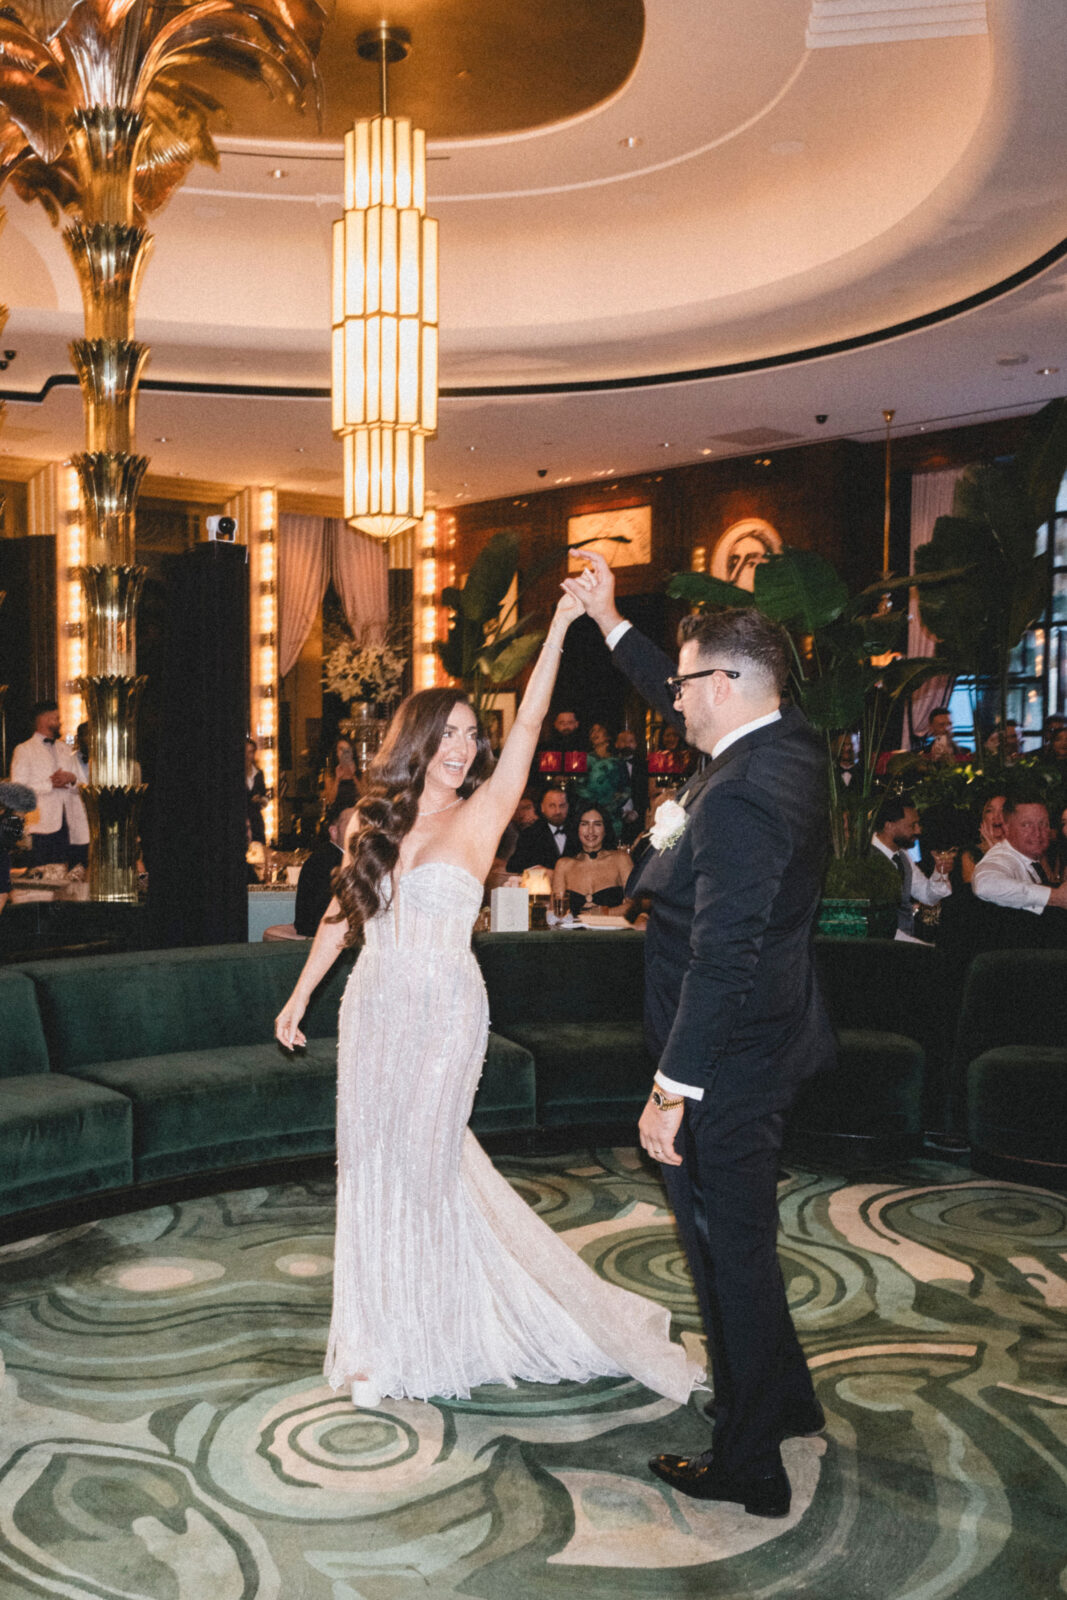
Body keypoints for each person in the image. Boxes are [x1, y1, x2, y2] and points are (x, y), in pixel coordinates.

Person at [274, 590, 698, 1410]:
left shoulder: (486, 812)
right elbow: (339, 915)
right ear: (421, 740)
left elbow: (532, 726)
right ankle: (377, 1335)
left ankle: (428, 1338)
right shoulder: (375, 819)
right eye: (453, 735)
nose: (465, 750)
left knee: (426, 1170)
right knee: (370, 1169)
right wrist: (299, 999)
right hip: (373, 1009)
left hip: (443, 1015)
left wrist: (565, 630)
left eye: (475, 737)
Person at [565, 550, 834, 1520]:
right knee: (743, 1245)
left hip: (726, 1064)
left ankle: (748, 1462)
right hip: (765, 1044)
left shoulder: (747, 793)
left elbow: (724, 959)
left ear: (720, 685)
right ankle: (787, 1399)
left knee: (728, 1255)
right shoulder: (783, 744)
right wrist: (608, 621)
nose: (669, 702)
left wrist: (674, 1089)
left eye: (682, 686)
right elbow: (674, 681)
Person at [9, 700, 90, 871]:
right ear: (44, 720)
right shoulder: (24, 750)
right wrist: (49, 784)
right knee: (44, 876)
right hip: (42, 828)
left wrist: (72, 779)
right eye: (56, 718)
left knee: (71, 877)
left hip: (71, 825)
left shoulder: (67, 750)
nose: (60, 722)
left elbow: (84, 785)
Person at [870, 795, 953, 940]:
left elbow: (927, 896)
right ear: (889, 826)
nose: (918, 831)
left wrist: (940, 872)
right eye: (912, 825)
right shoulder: (865, 857)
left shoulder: (903, 856)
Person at [973, 797, 1067, 915]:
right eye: (1026, 825)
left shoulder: (1033, 858)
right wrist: (1055, 897)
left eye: (1043, 824)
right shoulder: (1002, 858)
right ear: (1006, 828)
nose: (1037, 833)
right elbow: (985, 885)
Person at [552, 803, 631, 917]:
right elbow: (556, 911)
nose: (590, 831)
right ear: (577, 828)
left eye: (597, 824)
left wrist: (606, 912)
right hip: (574, 934)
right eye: (584, 824)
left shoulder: (621, 859)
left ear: (605, 829)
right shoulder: (563, 865)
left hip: (612, 933)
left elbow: (634, 904)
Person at [293, 804, 356, 937]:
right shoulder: (325, 861)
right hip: (323, 936)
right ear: (334, 832)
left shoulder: (337, 857)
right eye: (352, 824)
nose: (359, 830)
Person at [505, 784, 576, 873]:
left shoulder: (578, 832)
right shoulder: (529, 835)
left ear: (568, 807)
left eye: (562, 806)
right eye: (552, 806)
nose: (557, 811)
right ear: (542, 807)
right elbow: (513, 867)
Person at [323, 737, 360, 813]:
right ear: (336, 753)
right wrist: (337, 779)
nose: (344, 753)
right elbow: (330, 800)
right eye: (341, 749)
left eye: (347, 750)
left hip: (355, 814)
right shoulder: (330, 774)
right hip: (337, 815)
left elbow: (365, 796)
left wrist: (354, 776)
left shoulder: (359, 774)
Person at [245, 737, 268, 847]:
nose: (247, 756)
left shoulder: (258, 773)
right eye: (245, 752)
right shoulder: (234, 775)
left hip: (255, 821)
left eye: (250, 752)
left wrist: (260, 799)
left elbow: (265, 797)